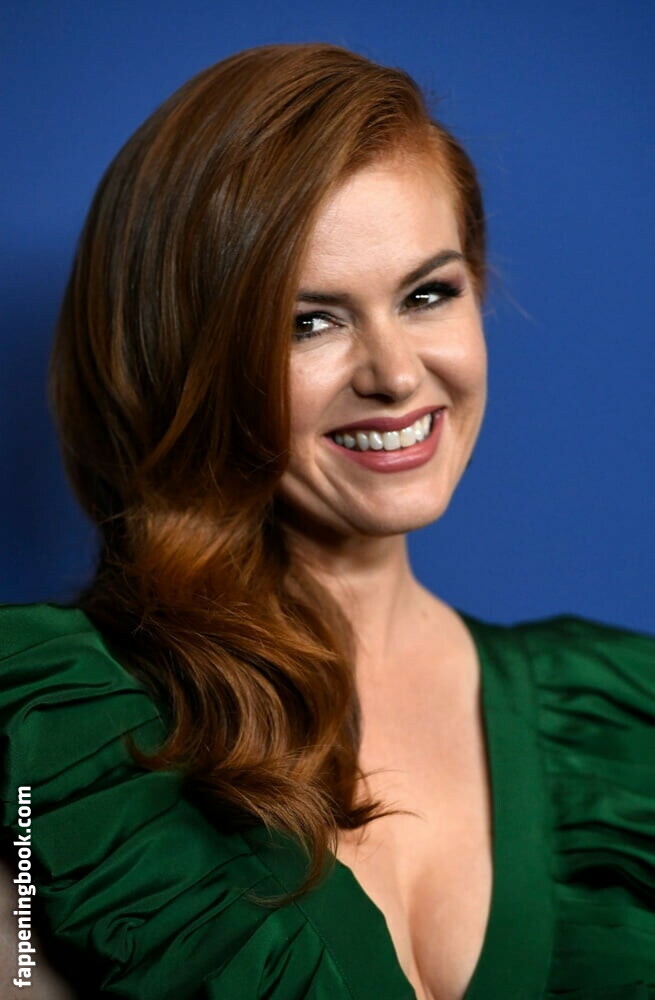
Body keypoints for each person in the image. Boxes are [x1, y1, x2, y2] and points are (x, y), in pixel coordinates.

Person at [1, 41, 654, 1000]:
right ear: (183, 357)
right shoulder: (50, 731)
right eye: (308, 321)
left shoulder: (626, 718)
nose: (394, 374)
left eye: (427, 295)